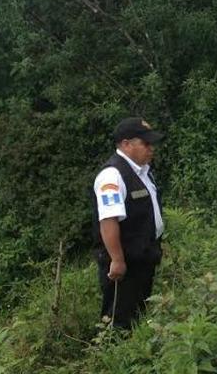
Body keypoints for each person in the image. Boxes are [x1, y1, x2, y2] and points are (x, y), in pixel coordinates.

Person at [92, 117, 165, 329]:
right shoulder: (111, 176)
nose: (151, 149)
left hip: (143, 257)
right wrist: (117, 260)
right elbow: (108, 220)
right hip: (125, 265)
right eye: (146, 143)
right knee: (119, 320)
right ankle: (112, 357)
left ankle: (136, 357)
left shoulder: (143, 171)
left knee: (139, 315)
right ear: (126, 144)